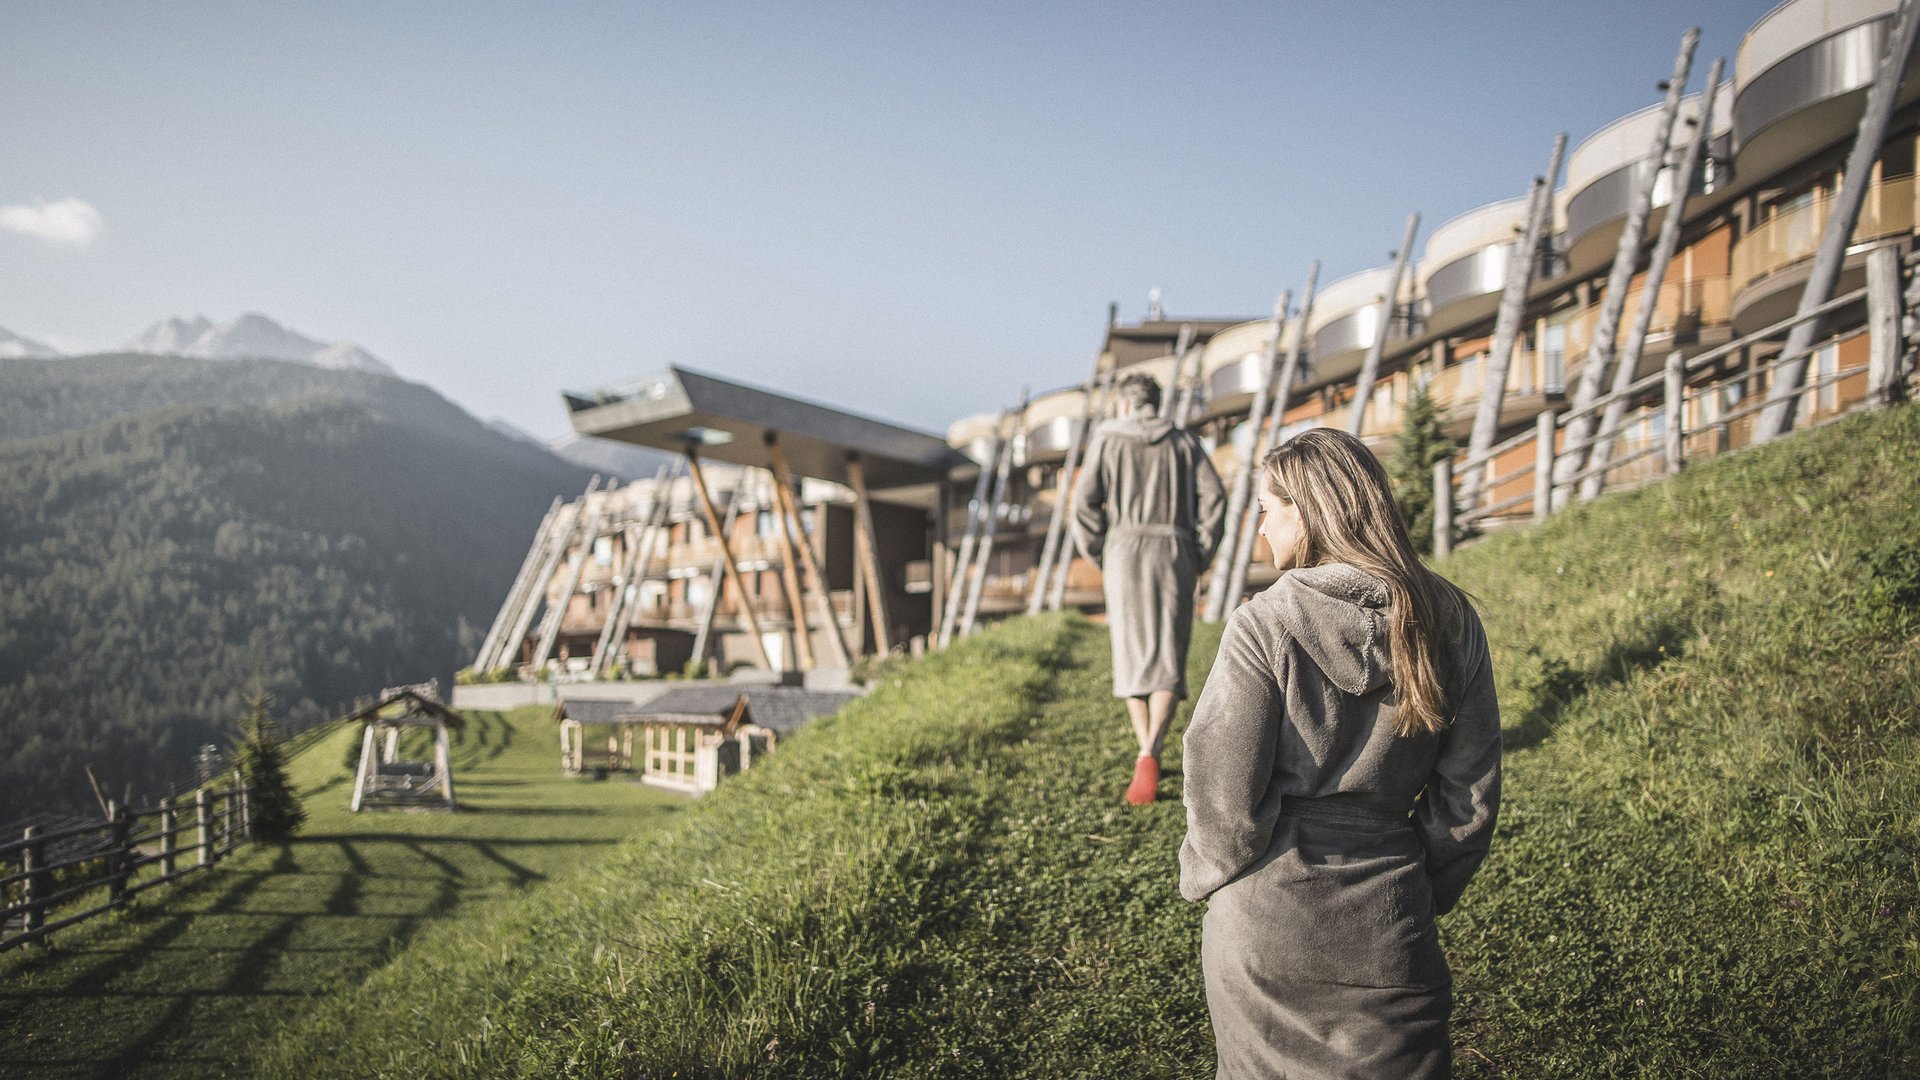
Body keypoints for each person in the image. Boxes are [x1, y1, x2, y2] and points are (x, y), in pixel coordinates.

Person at [1179, 428, 1500, 1078]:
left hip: (1267, 930)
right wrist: (1414, 893)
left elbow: (1222, 794)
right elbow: (1468, 798)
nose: (1262, 529)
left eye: (1269, 508)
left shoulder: (1263, 624)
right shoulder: (1450, 619)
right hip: (1390, 931)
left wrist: (1210, 881)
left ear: (1308, 509)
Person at [1071, 372, 1226, 805]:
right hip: (1173, 549)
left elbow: (1083, 504)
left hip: (1124, 550)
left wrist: (1100, 550)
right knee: (1167, 652)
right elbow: (1215, 498)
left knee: (1130, 650)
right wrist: (1200, 551)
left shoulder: (1107, 439)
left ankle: (1146, 752)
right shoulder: (1183, 441)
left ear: (1124, 404)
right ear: (1155, 403)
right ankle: (1152, 749)